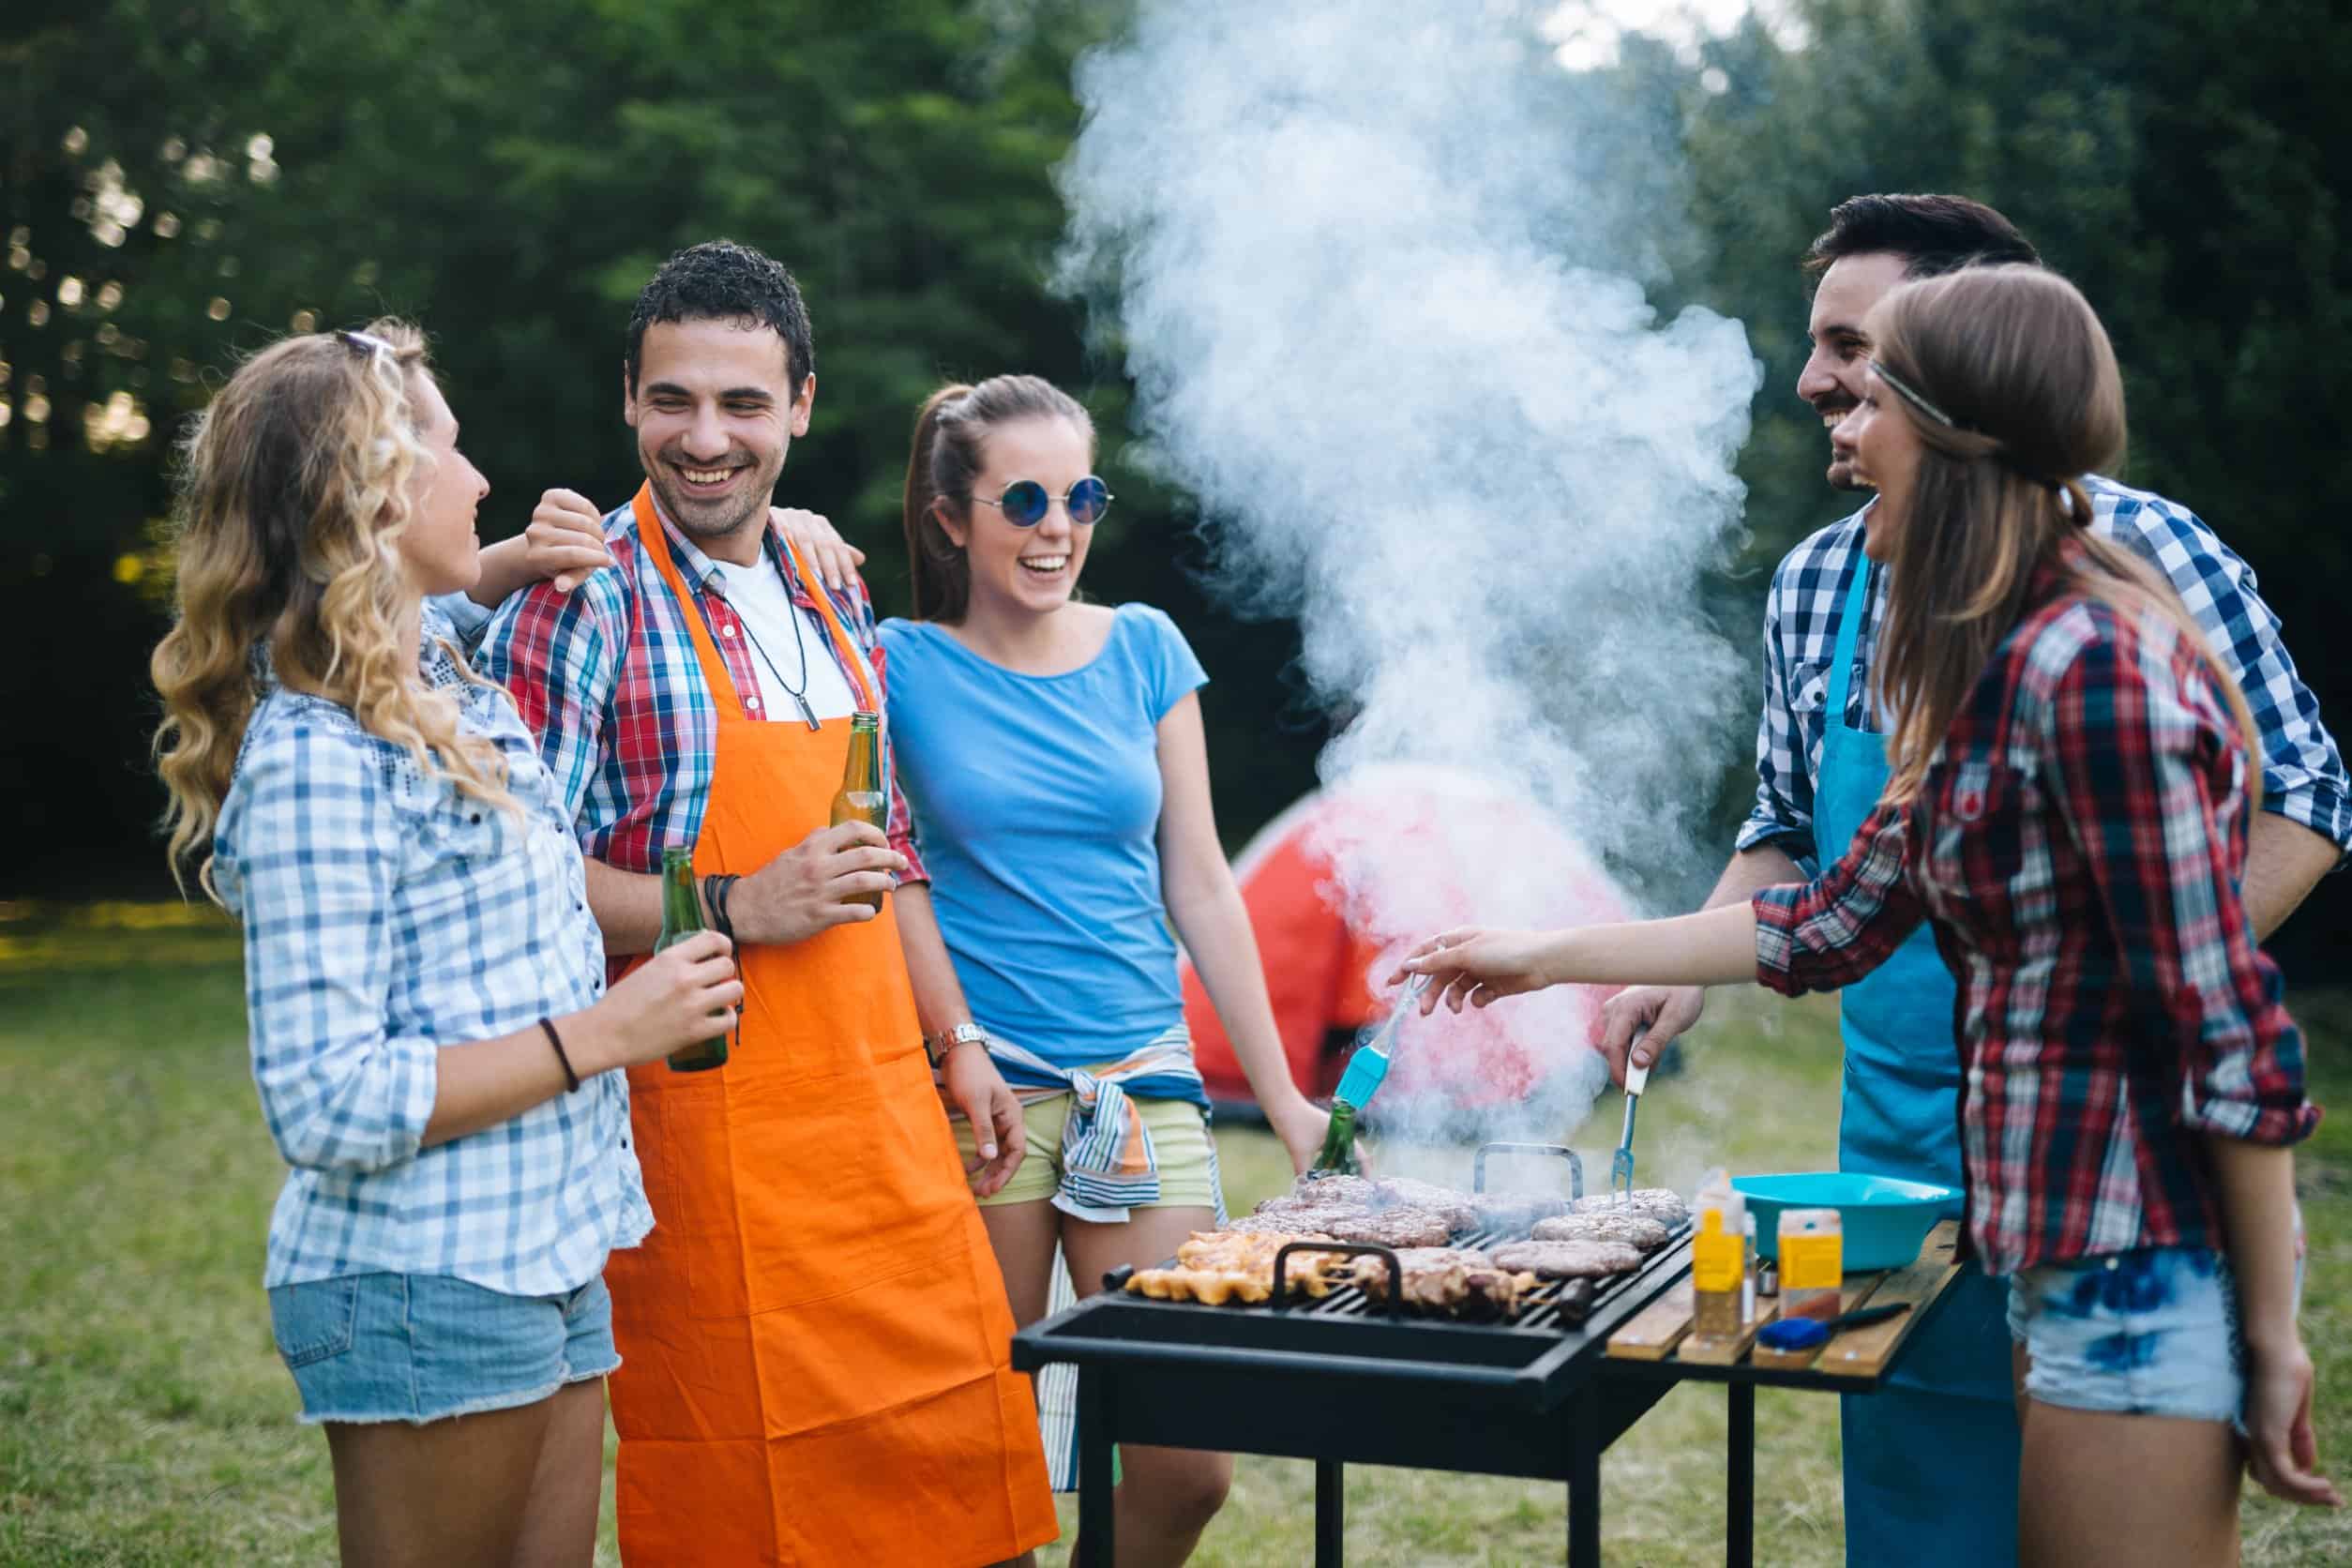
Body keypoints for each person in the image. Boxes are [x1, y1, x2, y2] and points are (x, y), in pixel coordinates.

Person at [1398, 264, 2338, 1566]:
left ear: (1954, 434)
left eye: (1868, 393)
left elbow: (2222, 1020)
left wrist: (2274, 1334)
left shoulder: (2093, 669)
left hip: (2140, 1261)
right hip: (2058, 1254)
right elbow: (1825, 923)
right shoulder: (1987, 662)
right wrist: (1539, 956)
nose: (1835, 427)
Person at [468, 243, 1057, 1566]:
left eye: (742, 404)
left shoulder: (829, 587)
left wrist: (957, 1043)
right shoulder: (581, 599)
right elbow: (512, 881)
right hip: (708, 1138)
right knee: (752, 1520)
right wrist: (732, 898)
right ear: (629, 399)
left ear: (799, 406)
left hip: (885, 1132)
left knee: (971, 1504)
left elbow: (885, 848)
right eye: (673, 400)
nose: (704, 439)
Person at [148, 321, 742, 1566]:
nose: (482, 481)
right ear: (365, 494)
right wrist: (608, 1036)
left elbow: (435, 610)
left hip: (551, 1252)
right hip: (428, 1281)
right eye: (449, 453)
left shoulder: (444, 689)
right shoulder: (318, 760)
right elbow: (325, 1102)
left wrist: (515, 560)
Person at [878, 375, 1331, 1562]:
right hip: (986, 1095)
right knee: (985, 1463)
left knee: (1188, 1464)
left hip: (1145, 1084)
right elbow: (886, 865)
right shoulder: (895, 665)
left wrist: (1283, 1098)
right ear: (950, 517)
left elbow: (1202, 881)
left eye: (1078, 494)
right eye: (1020, 497)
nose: (1055, 524)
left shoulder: (1145, 646)